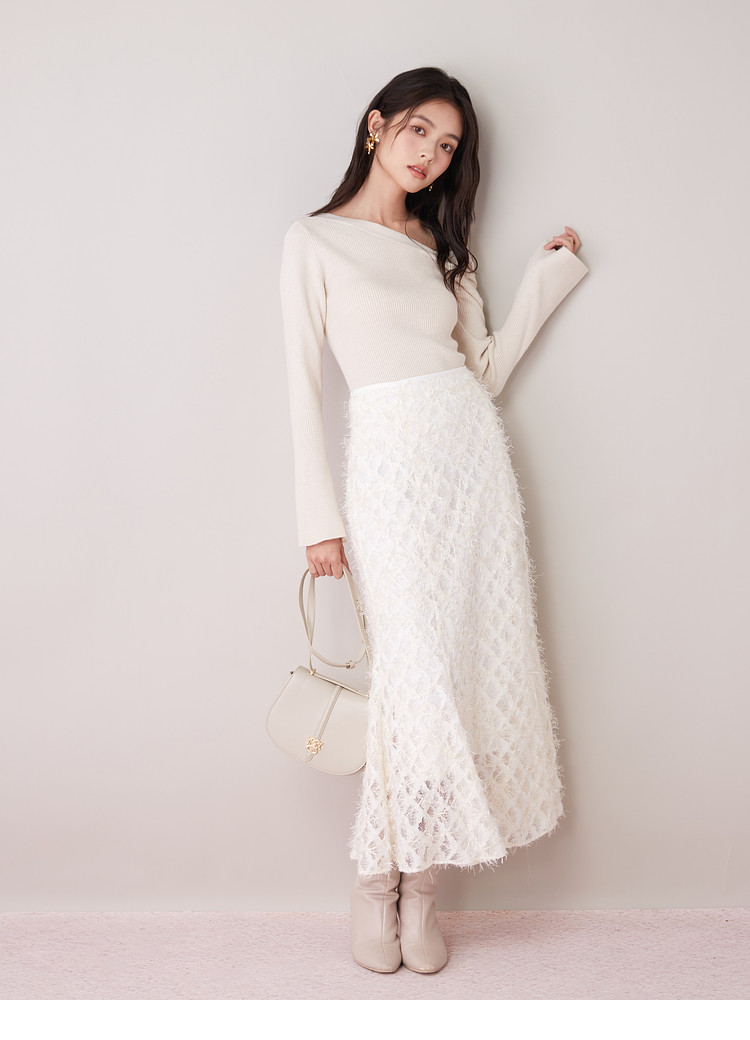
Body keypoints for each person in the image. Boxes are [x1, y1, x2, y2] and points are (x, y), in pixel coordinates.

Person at [279, 66, 588, 975]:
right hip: (388, 470)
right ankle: (377, 883)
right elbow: (299, 387)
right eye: (420, 131)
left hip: (472, 466)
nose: (431, 156)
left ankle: (422, 893)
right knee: (412, 679)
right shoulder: (313, 241)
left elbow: (480, 369)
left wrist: (547, 278)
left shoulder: (440, 247)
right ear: (377, 126)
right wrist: (318, 520)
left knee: (454, 673)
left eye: (448, 146)